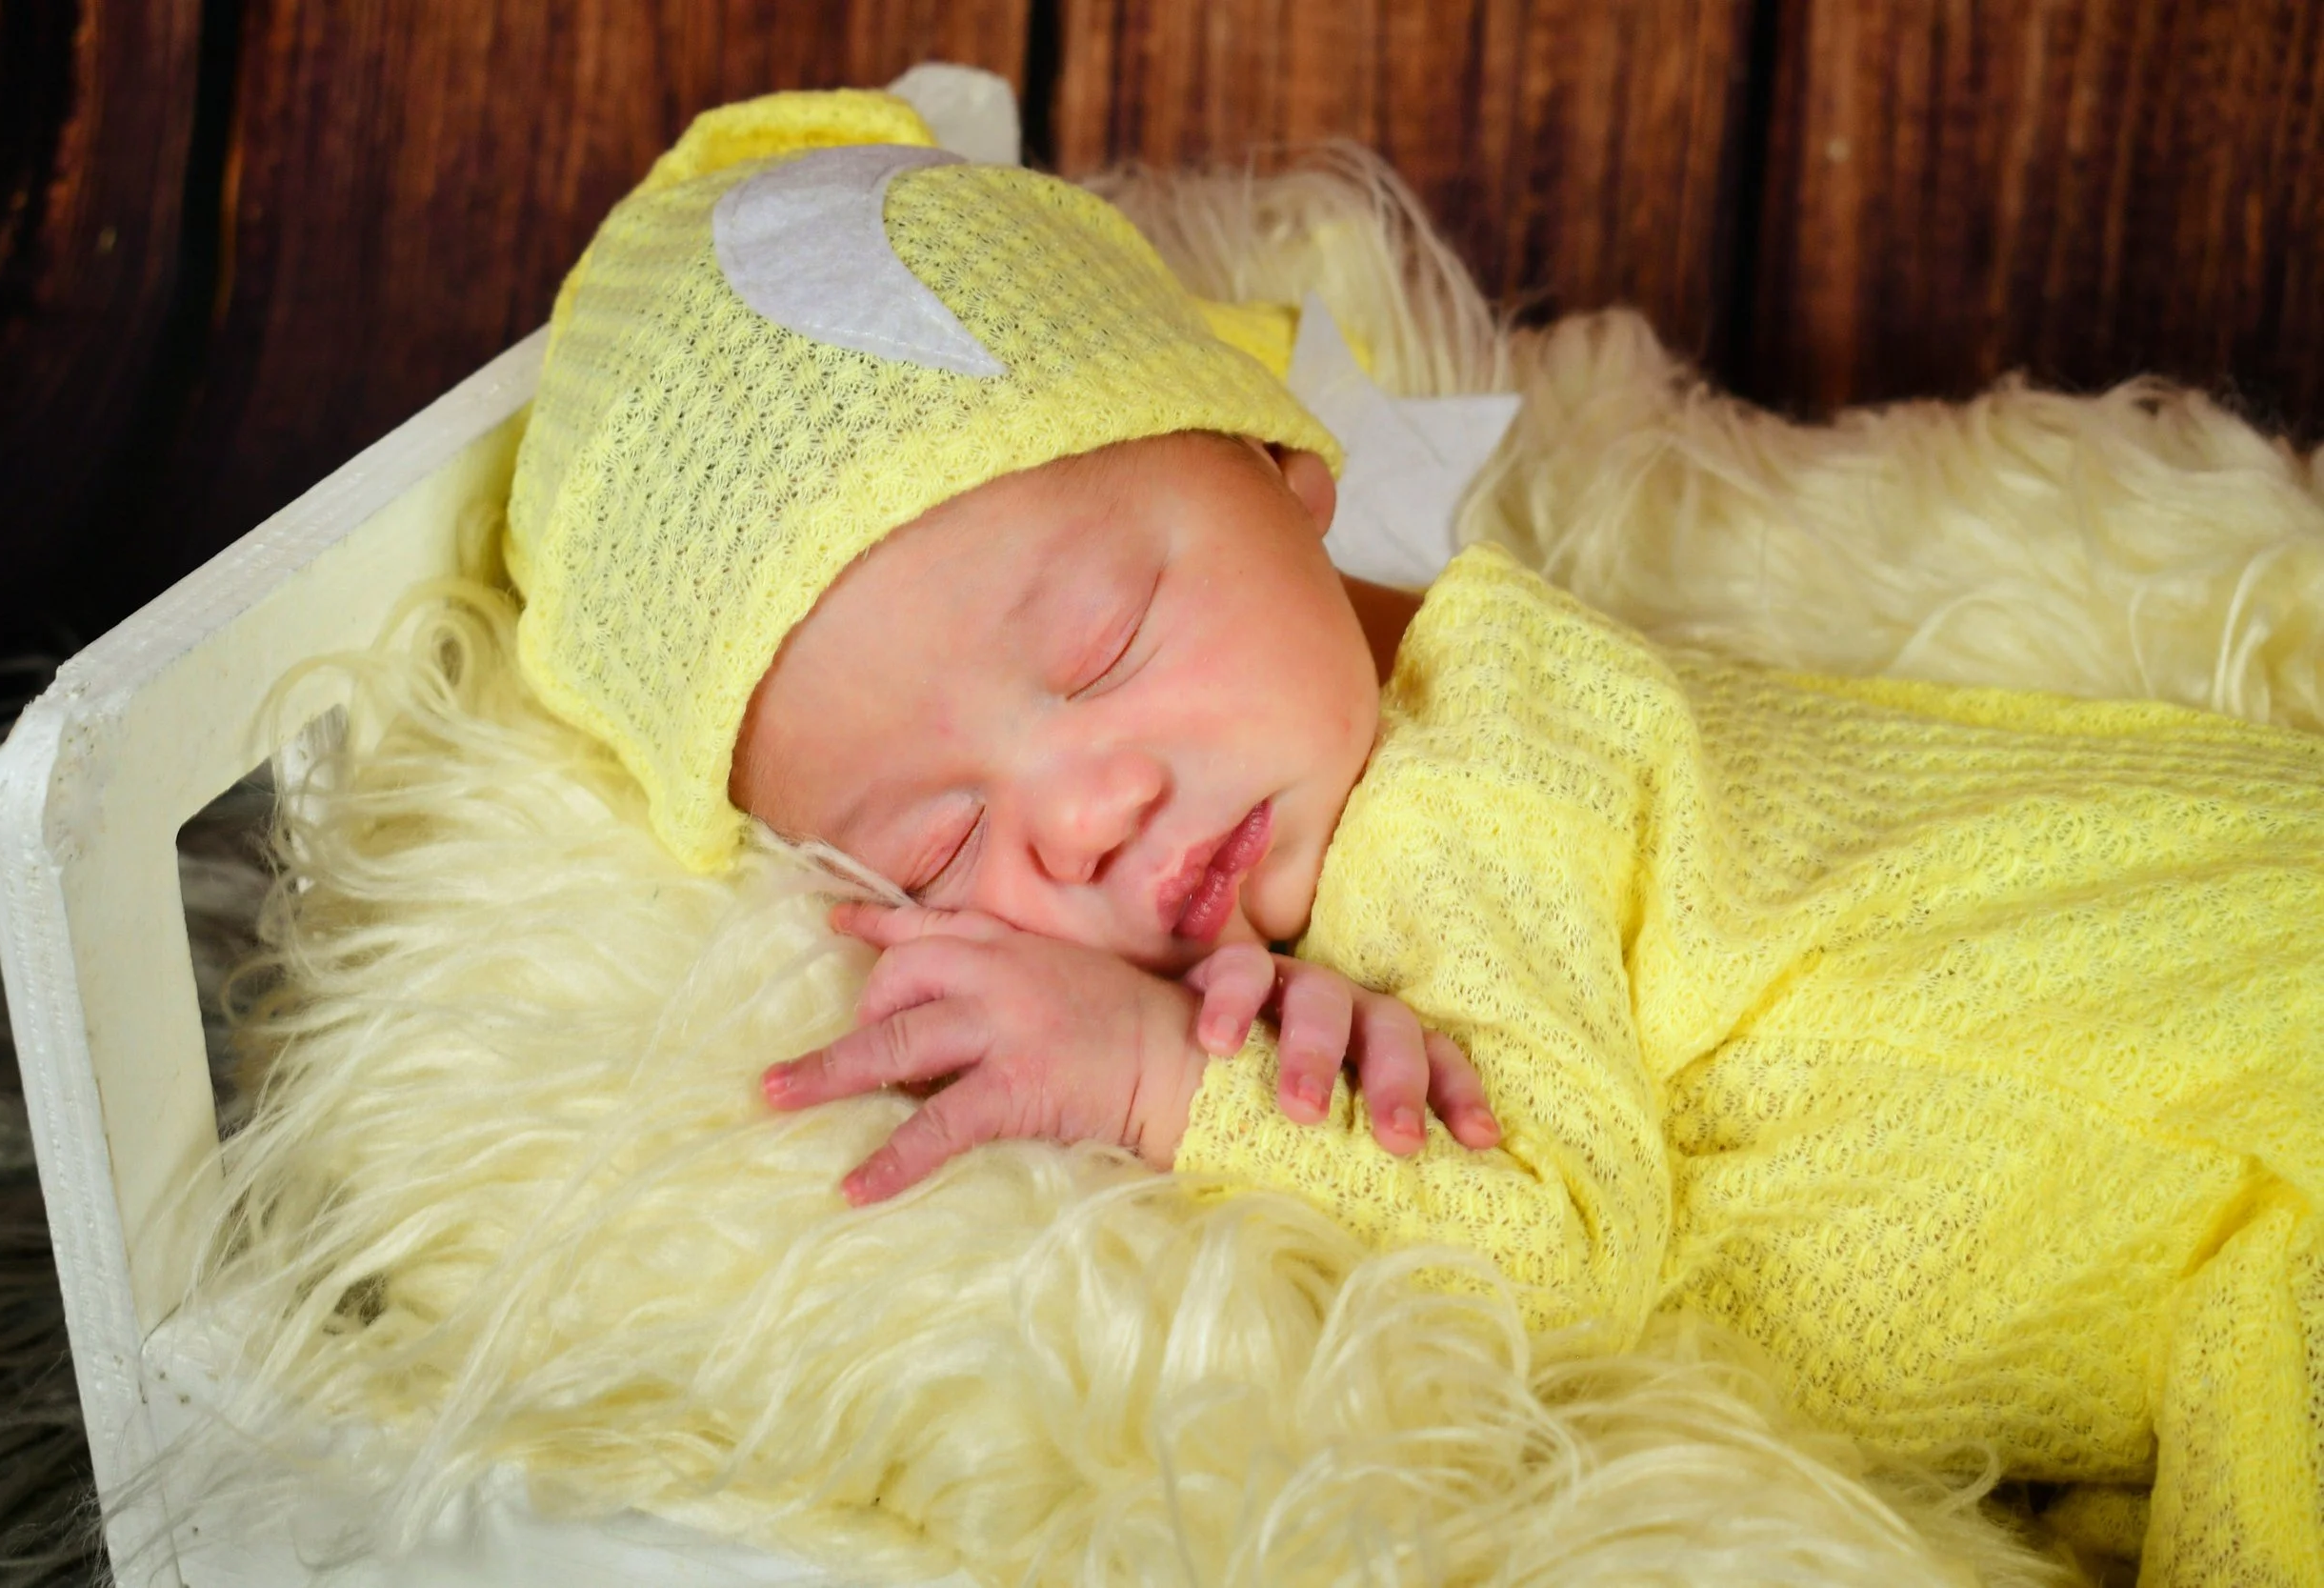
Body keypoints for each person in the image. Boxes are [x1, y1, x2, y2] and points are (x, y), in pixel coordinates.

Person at [506, 89, 2323, 1582]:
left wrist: (1162, 1086)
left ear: (1289, 470)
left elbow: (1564, 1243)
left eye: (1104, 646)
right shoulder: (1351, 808)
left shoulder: (1471, 781)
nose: (1082, 813)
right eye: (933, 849)